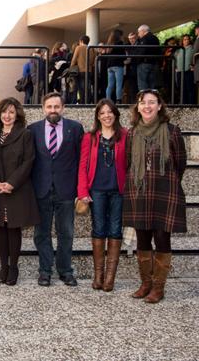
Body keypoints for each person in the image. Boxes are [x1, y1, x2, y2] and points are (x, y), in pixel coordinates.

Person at [124, 89, 186, 303]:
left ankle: (158, 287)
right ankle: (145, 283)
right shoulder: (132, 133)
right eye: (143, 103)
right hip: (139, 194)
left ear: (160, 106)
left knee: (161, 237)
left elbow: (180, 163)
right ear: (137, 107)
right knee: (142, 238)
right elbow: (128, 163)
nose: (147, 106)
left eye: (152, 102)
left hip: (164, 192)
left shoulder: (172, 131)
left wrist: (164, 180)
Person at [0, 97, 39, 286]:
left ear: (17, 115)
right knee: (1, 227)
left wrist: (11, 183)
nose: (7, 115)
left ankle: (13, 267)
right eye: (4, 112)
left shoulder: (25, 134)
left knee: (13, 228)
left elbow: (28, 161)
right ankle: (3, 266)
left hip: (17, 189)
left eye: (11, 112)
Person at [28, 92, 84, 287]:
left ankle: (65, 271)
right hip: (41, 189)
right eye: (49, 107)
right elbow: (29, 161)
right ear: (43, 108)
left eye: (56, 107)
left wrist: (81, 190)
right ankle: (45, 271)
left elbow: (81, 161)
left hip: (66, 190)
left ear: (63, 108)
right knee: (41, 233)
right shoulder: (33, 130)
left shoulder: (75, 129)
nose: (53, 110)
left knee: (66, 232)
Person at [77, 99, 127, 292]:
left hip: (118, 191)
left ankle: (110, 279)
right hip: (96, 190)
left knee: (115, 229)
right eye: (102, 113)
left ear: (115, 114)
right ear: (98, 116)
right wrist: (82, 192)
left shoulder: (125, 135)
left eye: (110, 112)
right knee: (98, 229)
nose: (106, 116)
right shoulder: (90, 137)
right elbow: (82, 166)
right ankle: (98, 275)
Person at [135, 24, 161, 91]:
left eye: (139, 32)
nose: (138, 34)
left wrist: (137, 61)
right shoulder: (155, 38)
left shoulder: (144, 38)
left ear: (143, 31)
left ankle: (143, 100)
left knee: (142, 85)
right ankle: (151, 100)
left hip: (144, 63)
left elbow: (142, 51)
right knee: (151, 84)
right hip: (154, 64)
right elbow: (158, 50)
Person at [70, 35, 95, 104]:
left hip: (80, 71)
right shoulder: (91, 49)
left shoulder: (78, 48)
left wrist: (71, 68)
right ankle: (88, 101)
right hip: (89, 71)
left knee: (81, 88)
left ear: (81, 41)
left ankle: (82, 102)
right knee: (88, 87)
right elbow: (94, 61)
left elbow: (74, 60)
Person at [105, 30, 126, 103]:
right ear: (119, 36)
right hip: (118, 65)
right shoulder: (120, 43)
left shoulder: (109, 44)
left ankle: (108, 100)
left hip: (109, 66)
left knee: (110, 85)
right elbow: (123, 56)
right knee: (119, 84)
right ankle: (118, 100)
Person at [175, 34, 195, 104]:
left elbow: (196, 58)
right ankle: (183, 106)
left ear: (190, 40)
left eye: (187, 39)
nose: (186, 41)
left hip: (188, 71)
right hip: (180, 72)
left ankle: (191, 107)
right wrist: (176, 67)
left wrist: (193, 66)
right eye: (184, 39)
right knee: (182, 90)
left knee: (190, 89)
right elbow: (175, 59)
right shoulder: (178, 50)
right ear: (182, 41)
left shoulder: (193, 49)